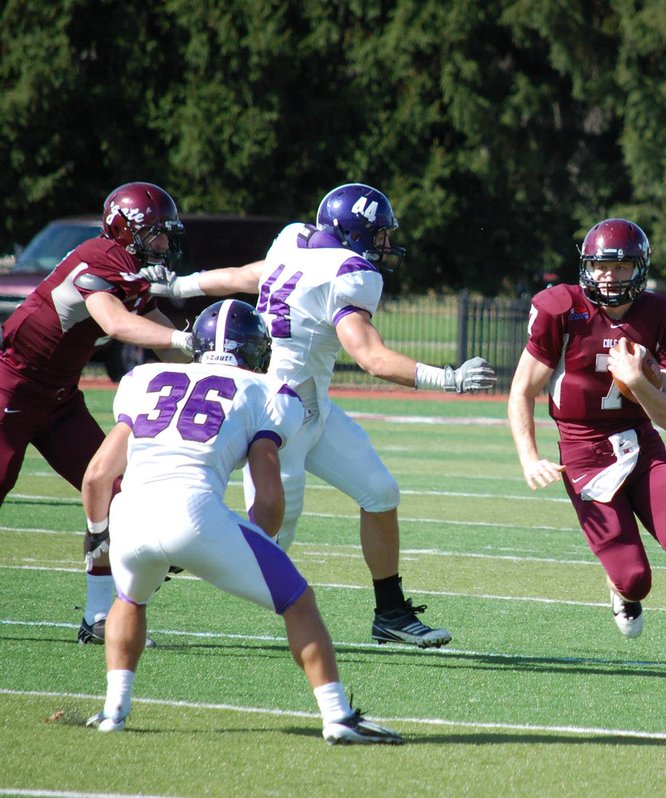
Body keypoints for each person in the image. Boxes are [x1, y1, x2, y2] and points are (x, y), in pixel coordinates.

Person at [143, 183, 496, 649]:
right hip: (277, 413)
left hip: (312, 407)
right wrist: (447, 378)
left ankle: (391, 613)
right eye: (379, 235)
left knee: (380, 491)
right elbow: (370, 357)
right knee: (265, 541)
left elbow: (247, 275)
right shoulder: (349, 273)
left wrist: (179, 285)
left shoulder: (295, 242)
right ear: (354, 233)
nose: (384, 246)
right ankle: (134, 586)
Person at [81, 299, 403, 744]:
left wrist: (99, 536)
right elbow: (269, 498)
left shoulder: (144, 378)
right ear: (255, 348)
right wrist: (258, 547)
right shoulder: (265, 390)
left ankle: (113, 711)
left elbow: (97, 476)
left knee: (129, 600)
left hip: (131, 514)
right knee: (298, 601)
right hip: (194, 512)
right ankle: (338, 716)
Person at [507, 218, 666, 692]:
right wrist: (529, 457)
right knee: (635, 579)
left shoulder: (665, 317)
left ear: (639, 269)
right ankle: (621, 590)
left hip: (641, 442)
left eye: (621, 266)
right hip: (583, 450)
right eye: (601, 266)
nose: (609, 276)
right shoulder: (561, 309)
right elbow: (521, 391)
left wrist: (638, 380)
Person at [0, 182, 197, 644]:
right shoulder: (101, 258)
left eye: (166, 235)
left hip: (60, 401)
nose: (163, 245)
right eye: (155, 234)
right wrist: (183, 339)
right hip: (12, 387)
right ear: (125, 230)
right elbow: (116, 323)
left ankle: (99, 616)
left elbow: (165, 340)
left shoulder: (131, 273)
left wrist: (215, 359)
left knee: (118, 500)